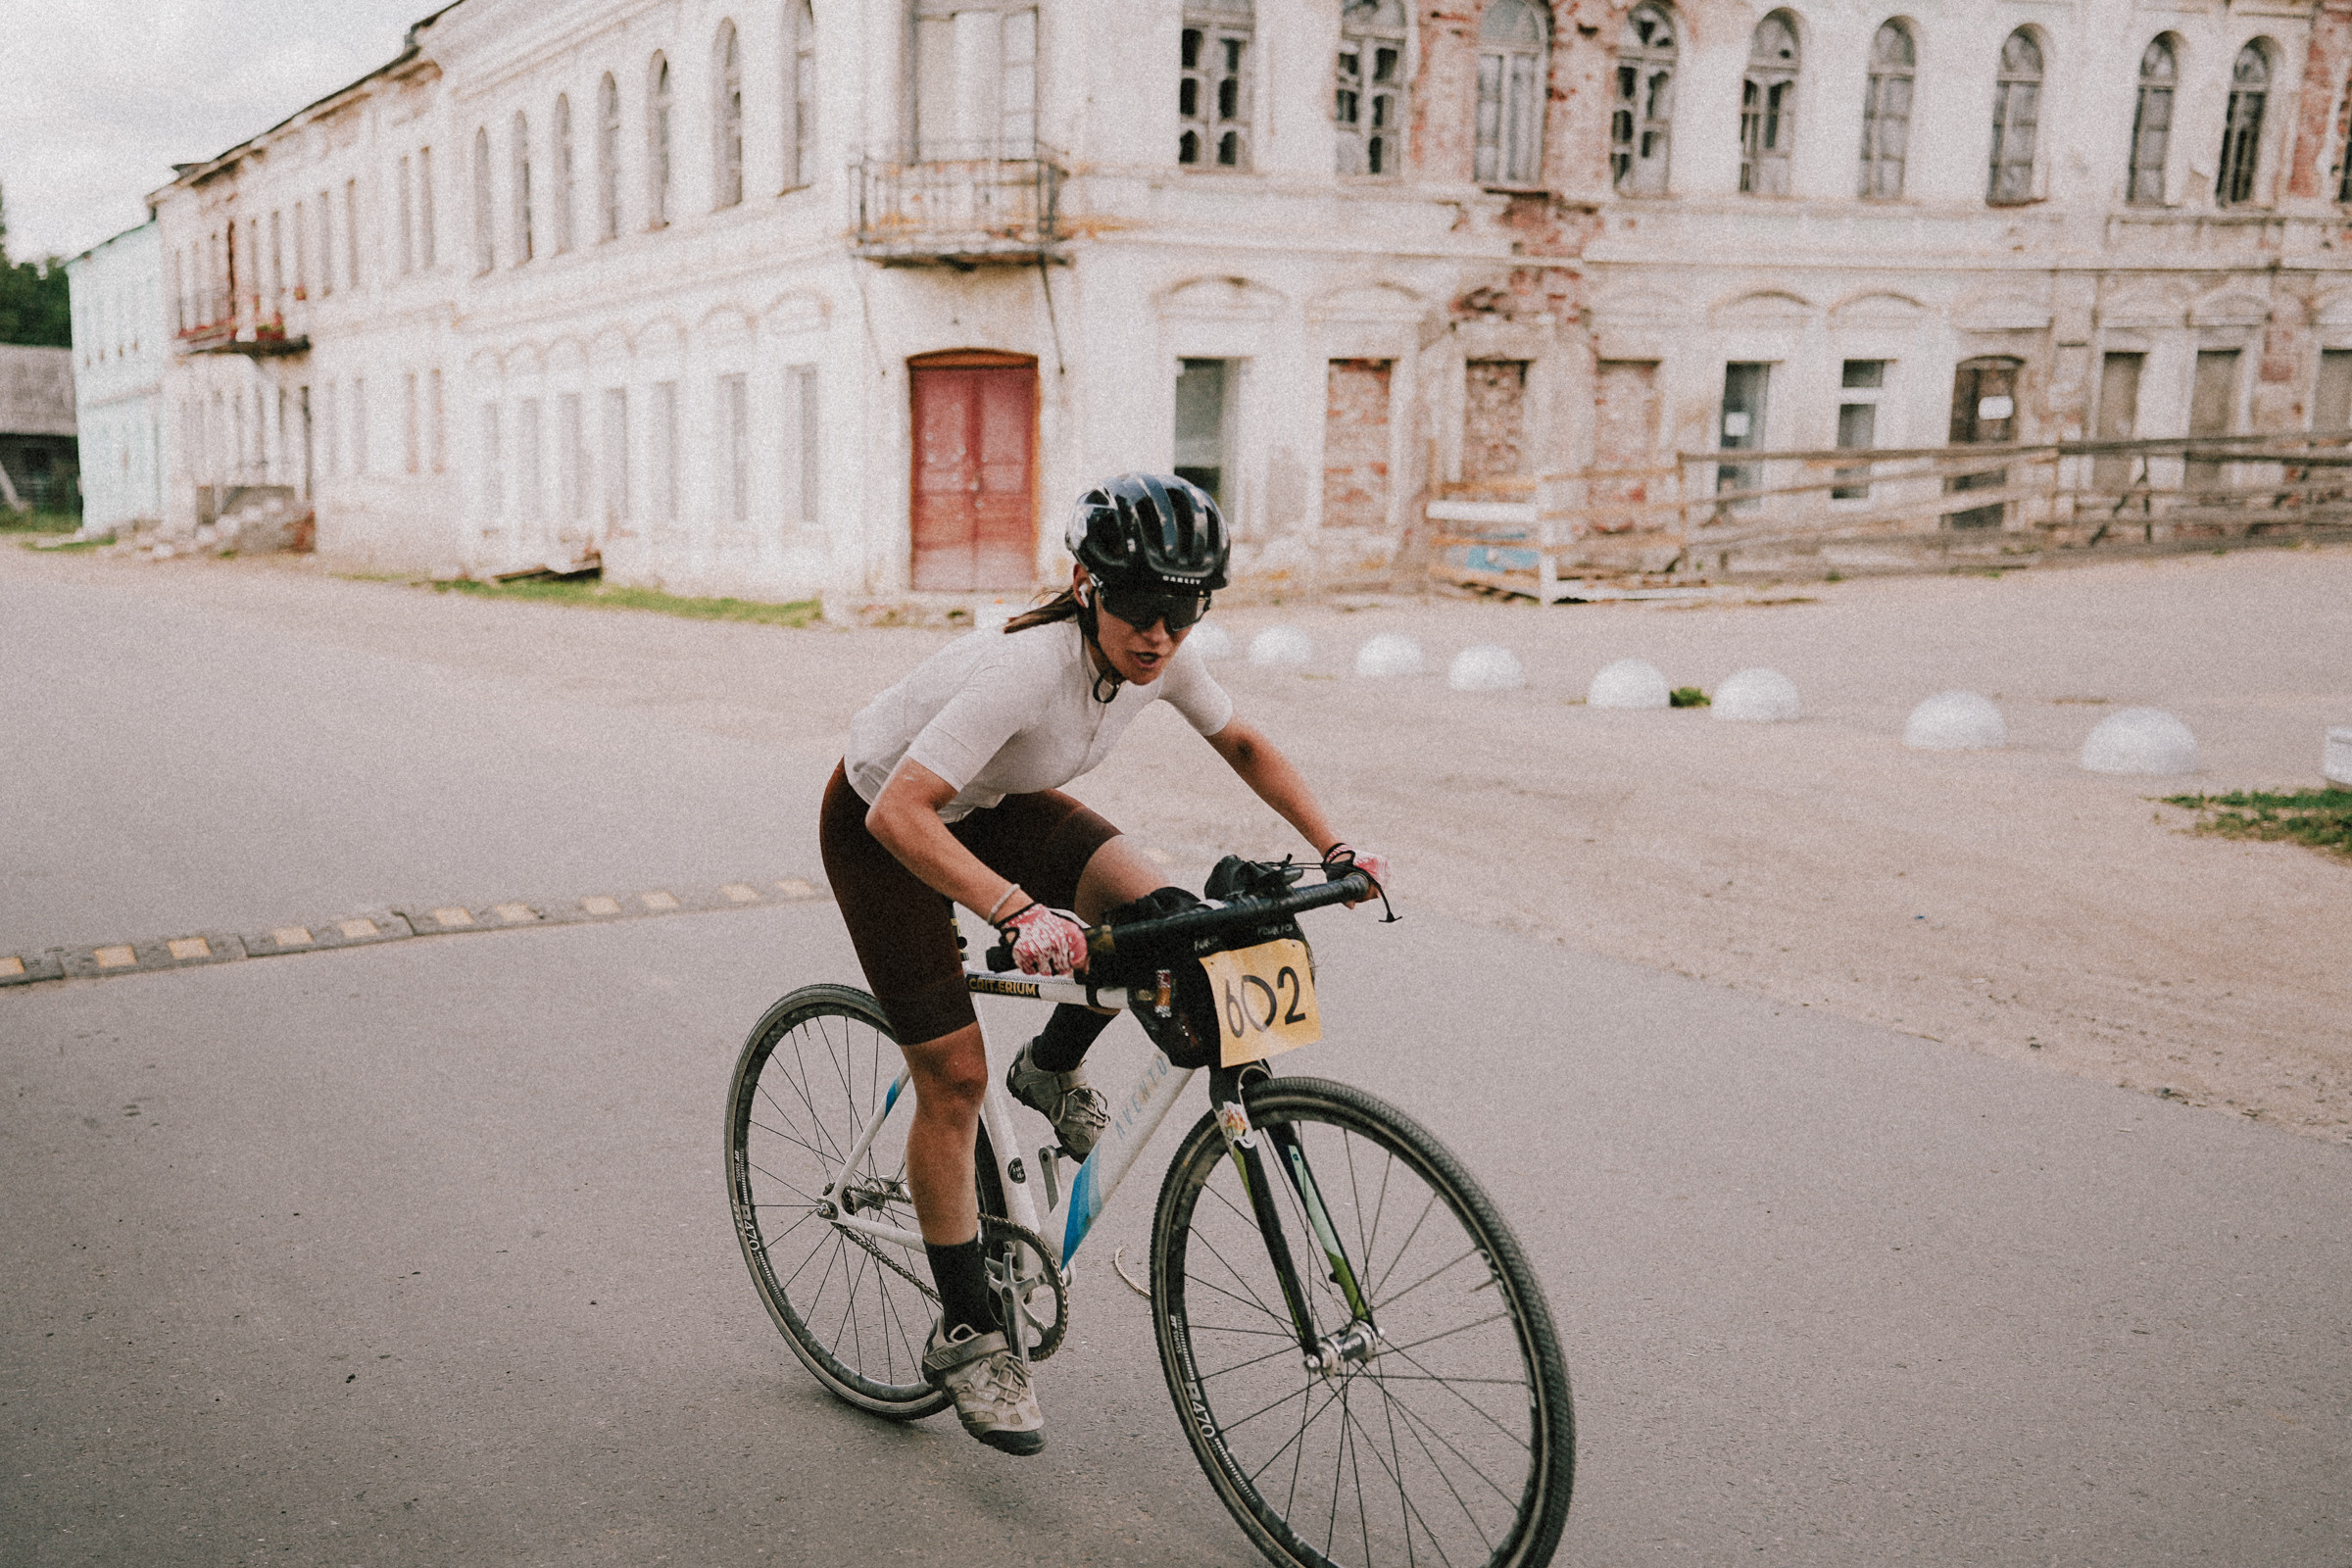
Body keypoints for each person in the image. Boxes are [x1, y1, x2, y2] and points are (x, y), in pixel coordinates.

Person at [819, 472, 1388, 1455]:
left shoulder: (1160, 655)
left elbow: (1244, 740)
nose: (1160, 632)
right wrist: (1012, 907)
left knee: (1164, 920)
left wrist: (1335, 846)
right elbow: (900, 810)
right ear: (1087, 585)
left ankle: (1049, 1064)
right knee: (952, 1079)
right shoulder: (1026, 669)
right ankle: (967, 1331)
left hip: (998, 801)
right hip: (887, 826)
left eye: (1186, 608)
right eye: (1139, 605)